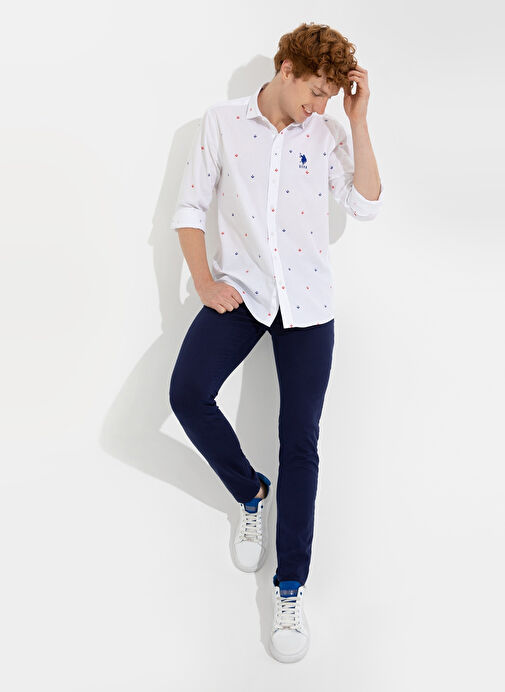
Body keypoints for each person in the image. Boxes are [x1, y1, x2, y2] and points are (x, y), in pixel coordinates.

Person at [168, 21, 384, 663]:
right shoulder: (222, 122)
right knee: (187, 393)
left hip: (308, 304)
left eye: (329, 97)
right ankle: (250, 492)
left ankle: (290, 588)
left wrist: (357, 119)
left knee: (301, 442)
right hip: (243, 291)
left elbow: (368, 204)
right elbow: (189, 209)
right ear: (286, 69)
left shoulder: (329, 130)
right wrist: (204, 282)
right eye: (316, 91)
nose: (320, 106)